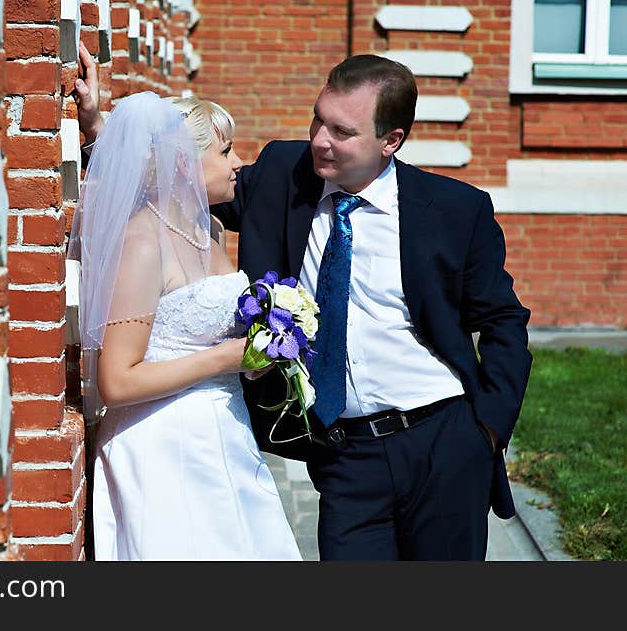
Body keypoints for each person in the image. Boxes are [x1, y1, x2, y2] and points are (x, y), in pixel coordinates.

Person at [75, 50, 532, 561]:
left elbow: (504, 322)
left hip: (441, 442)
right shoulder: (280, 175)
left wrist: (486, 432)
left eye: (342, 131)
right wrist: (98, 130)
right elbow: (170, 181)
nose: (320, 140)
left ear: (390, 140)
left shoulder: (454, 209)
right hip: (342, 452)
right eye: (318, 119)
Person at [68, 84, 301, 560]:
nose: (239, 163)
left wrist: (255, 356)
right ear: (182, 163)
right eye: (226, 151)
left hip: (225, 433)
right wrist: (226, 358)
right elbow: (115, 381)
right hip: (164, 446)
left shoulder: (209, 227)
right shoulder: (142, 243)